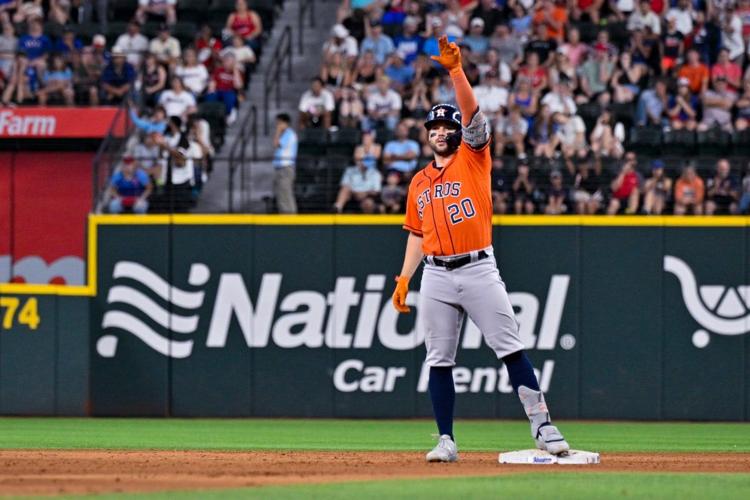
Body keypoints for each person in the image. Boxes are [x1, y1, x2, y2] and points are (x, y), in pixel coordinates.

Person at [391, 36, 569, 463]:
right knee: (438, 359)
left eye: (446, 127)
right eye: (433, 128)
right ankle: (446, 440)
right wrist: (403, 278)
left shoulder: (473, 158)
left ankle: (542, 424)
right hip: (434, 273)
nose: (440, 133)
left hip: (477, 268)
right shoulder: (418, 181)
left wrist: (456, 71)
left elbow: (471, 114)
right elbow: (417, 234)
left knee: (509, 347)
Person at [272, 113, 298, 214]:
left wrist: (278, 131)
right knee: (280, 195)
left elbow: (276, 144)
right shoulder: (285, 134)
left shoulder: (289, 134)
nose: (277, 125)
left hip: (286, 168)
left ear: (284, 123)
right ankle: (284, 217)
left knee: (286, 194)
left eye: (279, 123)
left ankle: (291, 219)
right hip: (280, 168)